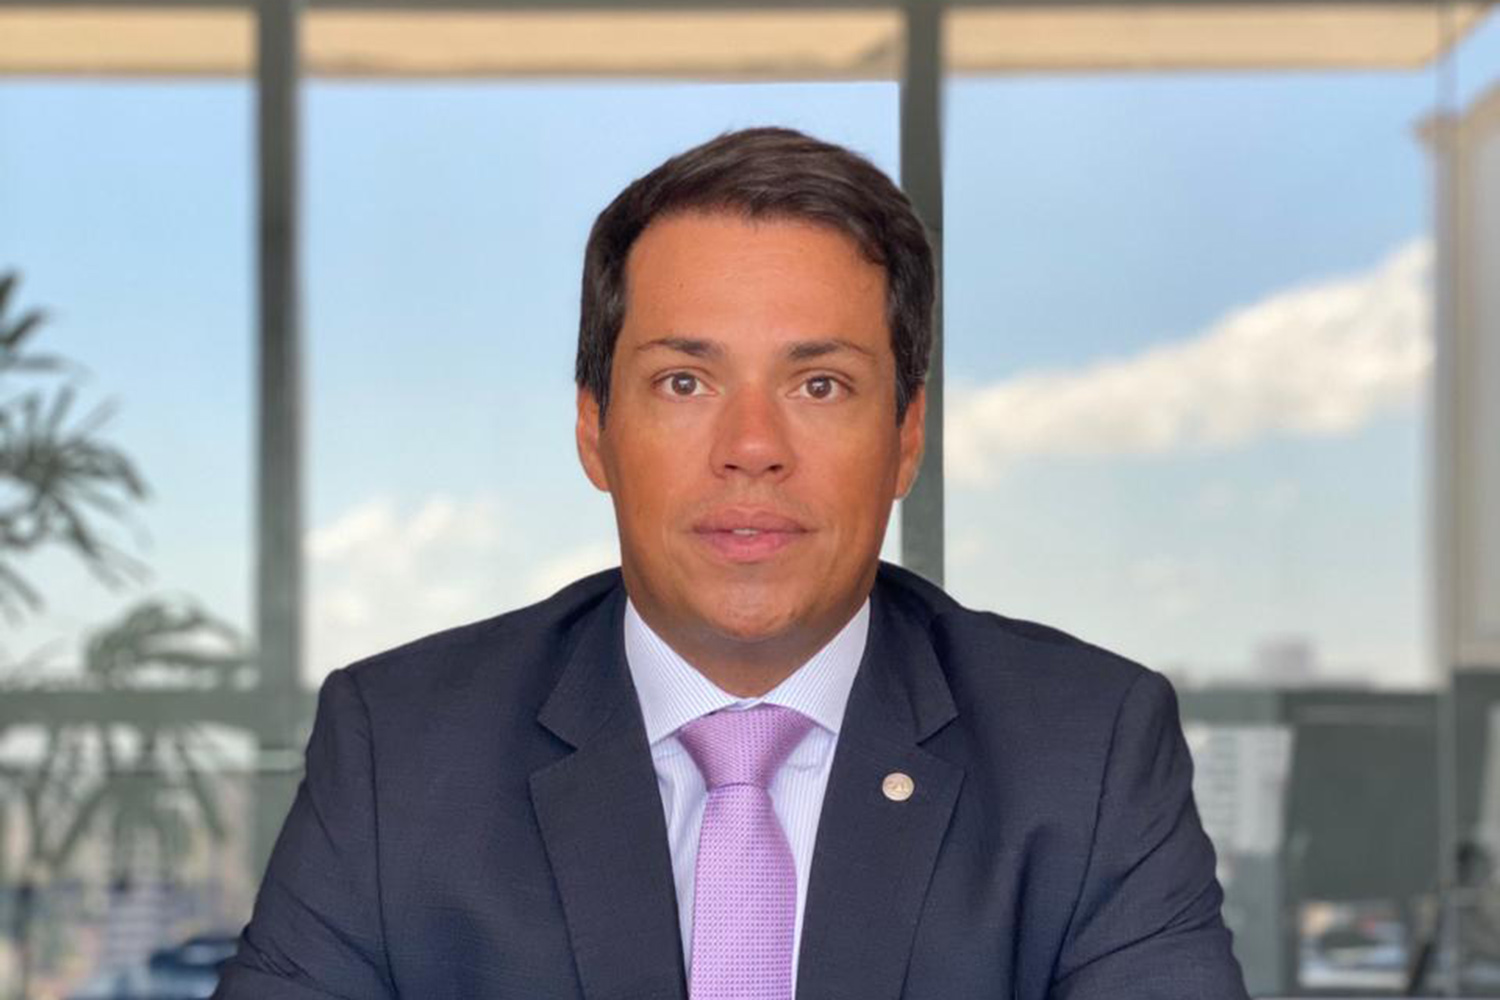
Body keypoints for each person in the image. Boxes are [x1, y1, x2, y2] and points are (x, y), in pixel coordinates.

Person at [214, 127, 1250, 1000]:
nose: (752, 446)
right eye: (684, 382)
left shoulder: (1086, 752)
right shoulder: (400, 751)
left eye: (819, 385)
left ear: (906, 438)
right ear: (594, 430)